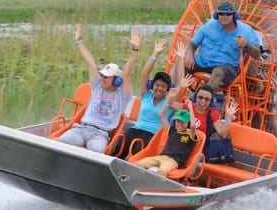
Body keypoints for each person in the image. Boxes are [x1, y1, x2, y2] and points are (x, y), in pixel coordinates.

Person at [56, 24, 141, 153]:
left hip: (99, 135)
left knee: (96, 153)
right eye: (101, 75)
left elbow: (127, 73)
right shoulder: (97, 86)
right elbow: (90, 62)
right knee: (59, 143)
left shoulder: (122, 96)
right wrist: (79, 40)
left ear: (117, 80)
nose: (102, 78)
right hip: (80, 129)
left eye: (106, 77)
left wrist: (134, 49)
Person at [111, 38, 172, 158]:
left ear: (168, 89)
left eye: (163, 86)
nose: (159, 89)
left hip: (152, 135)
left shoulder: (169, 101)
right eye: (157, 85)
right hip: (137, 129)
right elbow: (145, 73)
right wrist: (155, 54)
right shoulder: (147, 95)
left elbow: (179, 85)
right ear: (152, 85)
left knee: (138, 150)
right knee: (120, 144)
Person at [184, 0, 262, 91]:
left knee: (218, 72)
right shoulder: (209, 25)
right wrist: (189, 54)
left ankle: (205, 98)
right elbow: (192, 44)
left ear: (234, 15)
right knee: (180, 63)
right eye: (221, 14)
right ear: (217, 15)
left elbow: (257, 53)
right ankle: (171, 96)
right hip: (203, 62)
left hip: (227, 68)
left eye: (228, 14)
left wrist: (246, 45)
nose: (224, 16)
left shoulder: (246, 31)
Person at [131, 102, 198, 178]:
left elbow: (193, 125)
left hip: (173, 161)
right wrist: (168, 101)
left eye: (182, 122)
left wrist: (191, 108)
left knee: (162, 171)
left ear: (187, 123)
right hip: (161, 157)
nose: (179, 124)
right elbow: (161, 115)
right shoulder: (171, 131)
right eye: (177, 121)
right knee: (138, 164)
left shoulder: (190, 135)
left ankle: (156, 187)